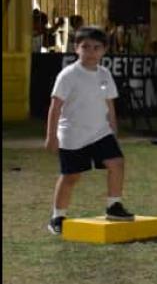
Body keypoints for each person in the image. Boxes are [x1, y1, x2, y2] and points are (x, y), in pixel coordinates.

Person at [44, 27, 137, 234]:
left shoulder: (104, 74)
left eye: (96, 47)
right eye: (85, 47)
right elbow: (55, 106)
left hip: (100, 132)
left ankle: (114, 205)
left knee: (117, 163)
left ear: (104, 50)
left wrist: (113, 129)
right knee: (71, 176)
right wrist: (51, 136)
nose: (91, 52)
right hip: (73, 134)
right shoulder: (68, 75)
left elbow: (109, 104)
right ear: (76, 49)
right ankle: (57, 217)